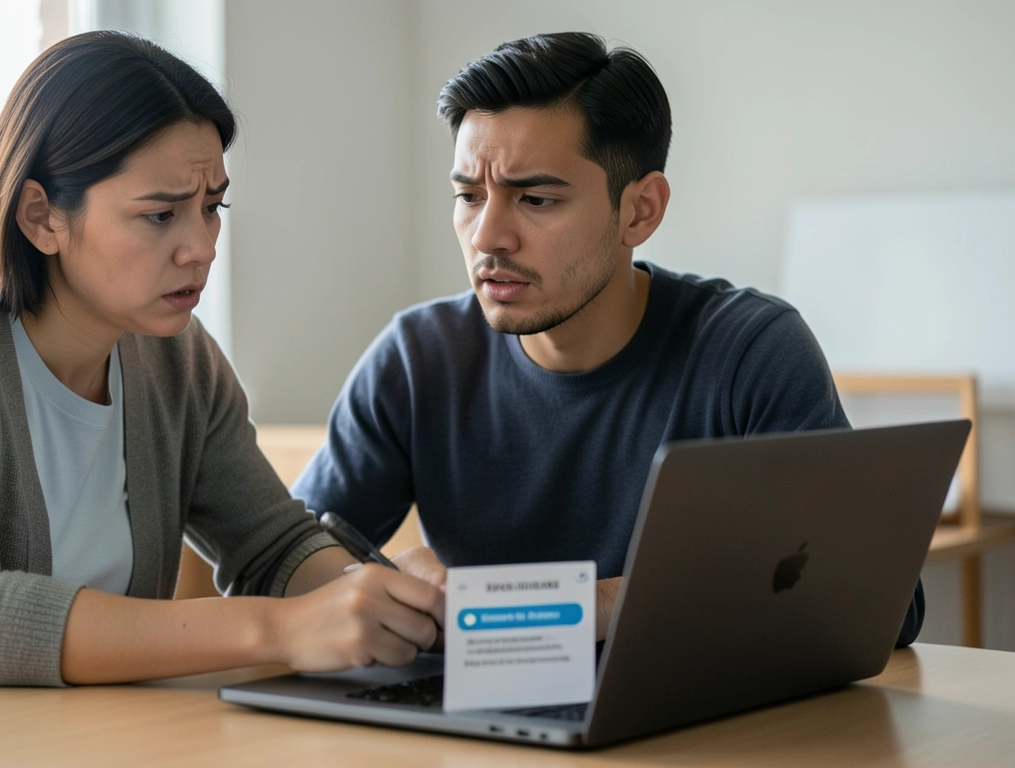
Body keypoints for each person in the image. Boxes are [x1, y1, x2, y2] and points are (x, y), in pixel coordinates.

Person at [0, 31, 444, 710]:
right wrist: (279, 629)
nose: (201, 247)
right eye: (160, 215)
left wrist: (379, 598)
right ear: (41, 217)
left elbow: (274, 547)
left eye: (211, 207)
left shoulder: (179, 359)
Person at [291, 31, 924, 647]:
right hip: (477, 713)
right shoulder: (417, 359)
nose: (486, 236)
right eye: (468, 195)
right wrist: (383, 587)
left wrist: (581, 607)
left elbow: (885, 605)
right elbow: (285, 567)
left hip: (686, 714)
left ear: (640, 210)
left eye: (535, 199)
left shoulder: (748, 351)